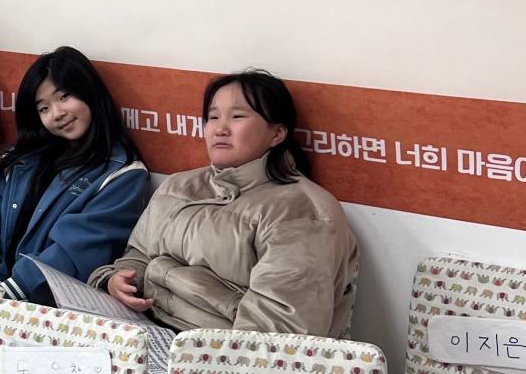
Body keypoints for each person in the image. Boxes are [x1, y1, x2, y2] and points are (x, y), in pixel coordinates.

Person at [91, 69, 359, 337]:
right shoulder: (178, 185)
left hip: (222, 353)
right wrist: (119, 281)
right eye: (213, 117)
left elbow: (279, 332)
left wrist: (192, 354)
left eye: (238, 116)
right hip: (146, 330)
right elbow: (138, 255)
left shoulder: (302, 212)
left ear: (277, 133)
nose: (220, 129)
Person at [0, 47, 150, 301]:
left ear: (90, 92)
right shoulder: (20, 159)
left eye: (64, 96)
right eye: (43, 108)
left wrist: (15, 291)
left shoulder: (123, 174)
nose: (57, 113)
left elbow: (77, 249)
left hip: (49, 308)